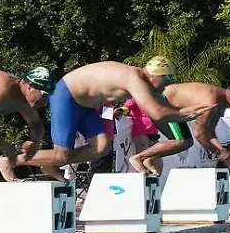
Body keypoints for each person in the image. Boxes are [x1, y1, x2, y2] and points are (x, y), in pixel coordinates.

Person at [17, 61, 204, 176]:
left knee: (101, 147)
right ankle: (12, 160)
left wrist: (180, 122)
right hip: (66, 96)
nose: (168, 85)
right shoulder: (135, 79)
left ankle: (51, 163)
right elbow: (156, 112)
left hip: (84, 105)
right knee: (61, 155)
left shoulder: (143, 82)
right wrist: (185, 113)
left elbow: (161, 115)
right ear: (155, 76)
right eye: (167, 80)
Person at [145, 78, 230, 168]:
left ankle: (147, 158)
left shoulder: (221, 104)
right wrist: (219, 152)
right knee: (183, 141)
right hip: (161, 103)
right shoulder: (211, 102)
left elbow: (209, 130)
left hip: (170, 107)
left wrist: (221, 150)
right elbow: (199, 132)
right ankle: (140, 158)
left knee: (185, 141)